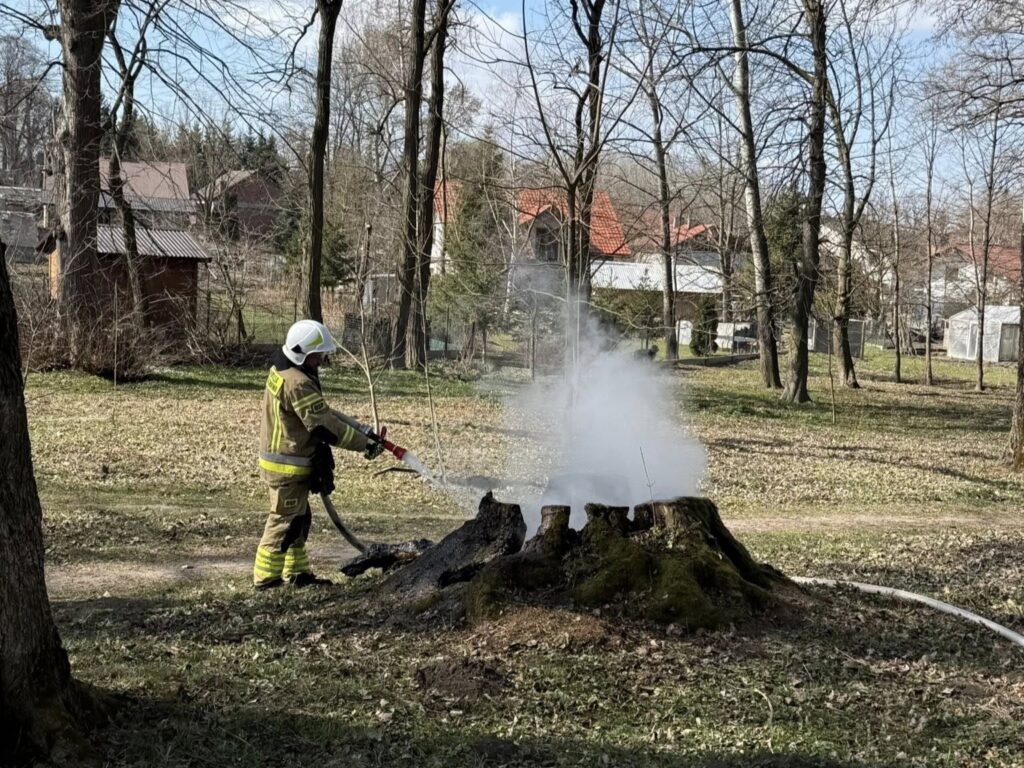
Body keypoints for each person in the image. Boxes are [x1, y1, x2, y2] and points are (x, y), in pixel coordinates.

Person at [253, 319, 383, 590]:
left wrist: (363, 430)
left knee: (298, 520)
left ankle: (297, 574)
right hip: (287, 465)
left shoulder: (286, 369)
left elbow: (323, 411)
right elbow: (323, 425)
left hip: (288, 460)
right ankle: (266, 580)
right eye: (318, 355)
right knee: (284, 522)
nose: (322, 361)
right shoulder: (297, 382)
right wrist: (365, 445)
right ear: (303, 352)